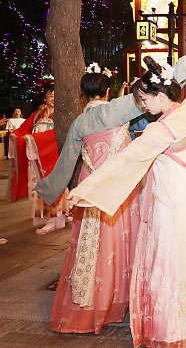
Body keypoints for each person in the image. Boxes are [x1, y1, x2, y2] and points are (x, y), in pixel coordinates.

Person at [68, 56, 186, 347]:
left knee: (167, 257)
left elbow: (126, 160)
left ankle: (171, 326)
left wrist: (87, 188)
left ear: (160, 96)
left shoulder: (159, 130)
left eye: (144, 99)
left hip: (170, 200)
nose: (142, 105)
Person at [37, 63, 143, 334]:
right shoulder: (118, 109)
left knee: (92, 245)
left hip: (90, 185)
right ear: (107, 91)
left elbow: (66, 163)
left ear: (83, 94)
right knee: (120, 240)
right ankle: (119, 300)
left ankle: (91, 302)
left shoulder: (79, 123)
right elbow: (150, 95)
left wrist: (47, 189)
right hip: (118, 187)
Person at [10, 83, 70, 234]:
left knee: (54, 185)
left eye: (56, 95)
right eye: (51, 95)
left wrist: (32, 138)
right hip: (36, 159)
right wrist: (16, 136)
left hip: (53, 156)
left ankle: (55, 218)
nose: (54, 98)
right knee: (36, 187)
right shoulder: (36, 116)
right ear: (44, 97)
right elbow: (23, 129)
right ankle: (48, 217)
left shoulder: (60, 116)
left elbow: (55, 136)